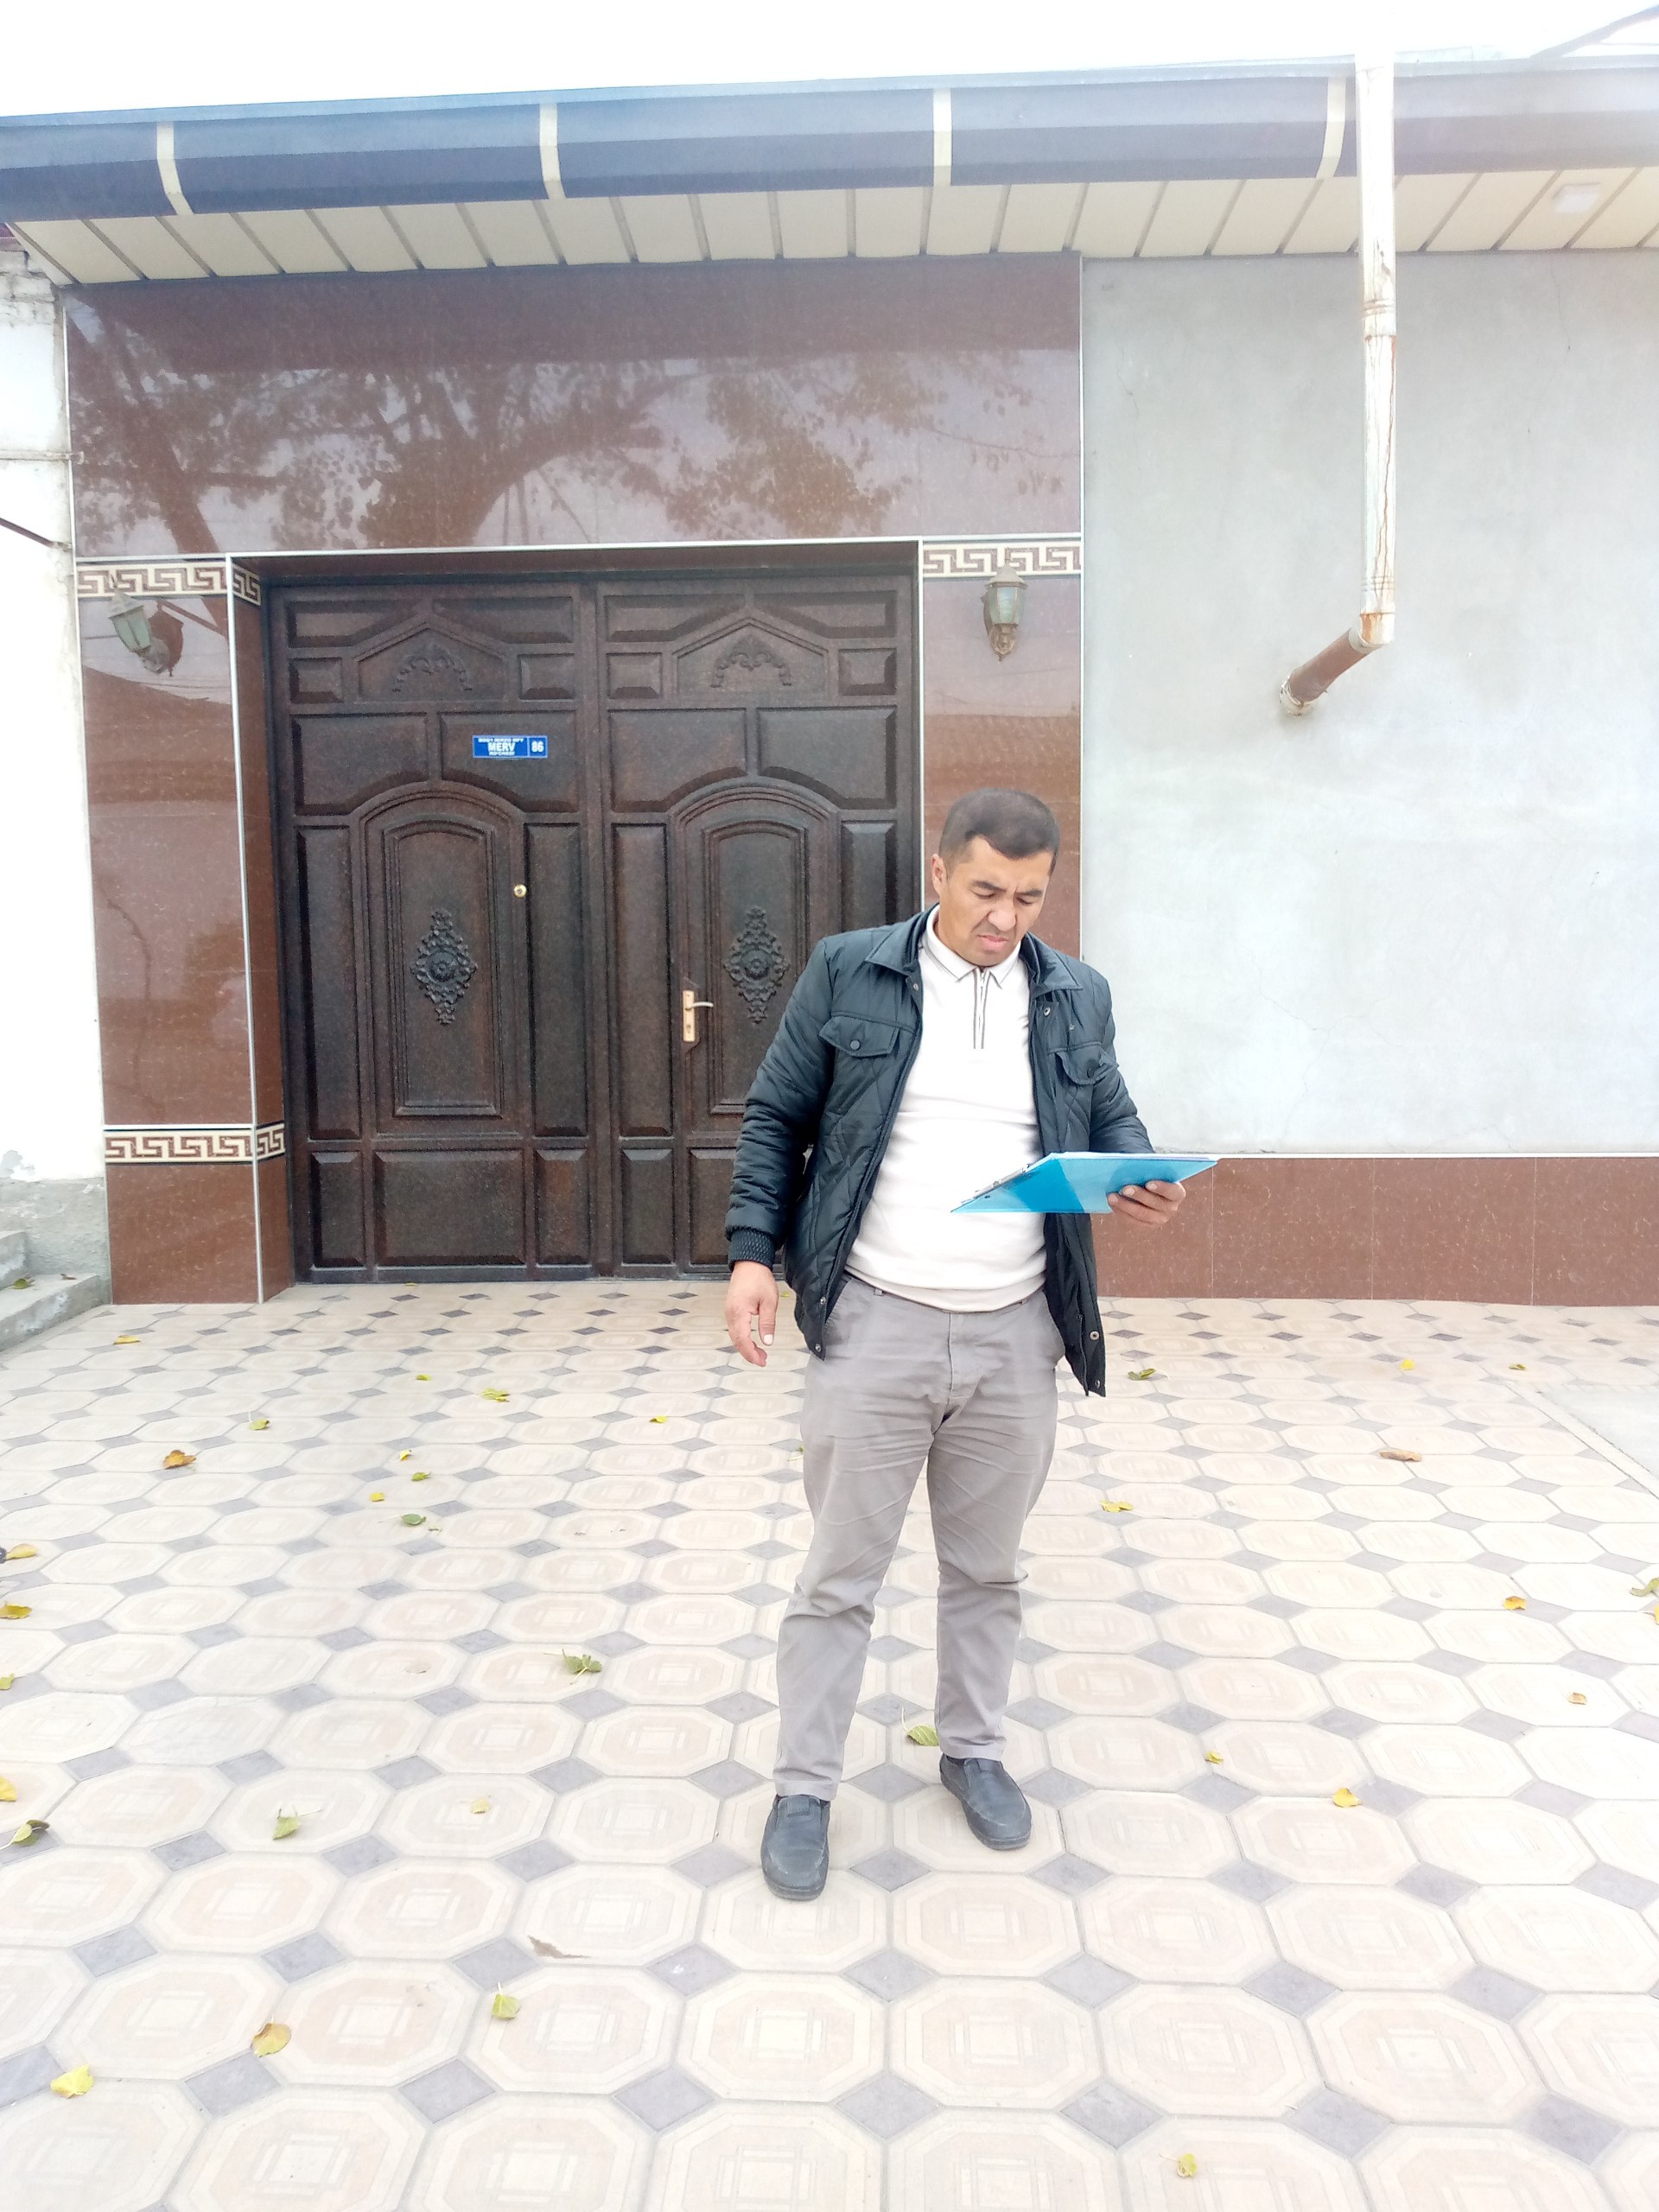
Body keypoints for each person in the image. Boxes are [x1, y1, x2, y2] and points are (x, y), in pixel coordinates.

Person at [723, 786, 1185, 1900]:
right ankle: (804, 1787)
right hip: (875, 1322)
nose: (1004, 917)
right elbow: (777, 1116)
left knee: (987, 1570)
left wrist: (1139, 1175)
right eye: (985, 891)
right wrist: (751, 1255)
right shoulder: (851, 971)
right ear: (938, 874)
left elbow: (1110, 1114)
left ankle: (972, 1751)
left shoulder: (1075, 994)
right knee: (840, 1576)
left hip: (1016, 1333)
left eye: (1028, 897)